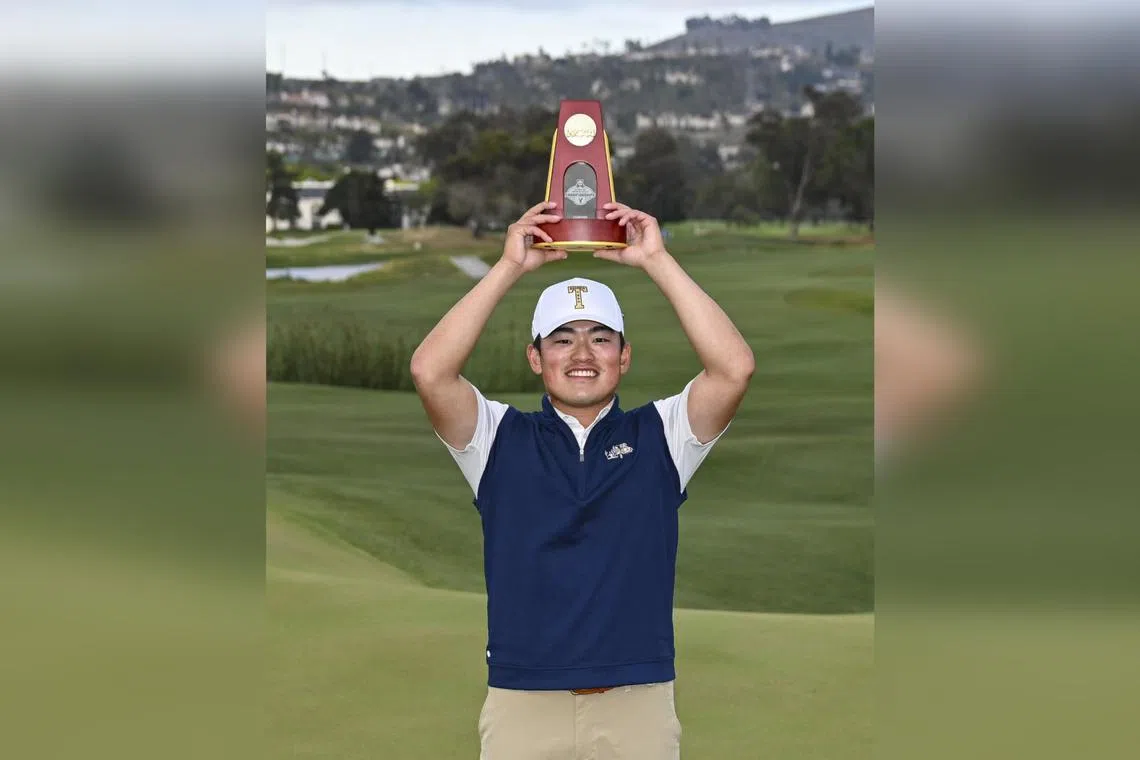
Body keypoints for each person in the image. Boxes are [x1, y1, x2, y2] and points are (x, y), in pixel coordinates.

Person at [410, 201, 755, 760]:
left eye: (600, 338)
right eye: (562, 339)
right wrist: (509, 268)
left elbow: (733, 368)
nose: (581, 354)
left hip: (636, 703)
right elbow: (430, 371)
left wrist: (657, 260)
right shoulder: (496, 438)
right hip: (523, 704)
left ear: (624, 356)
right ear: (535, 357)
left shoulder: (662, 435)